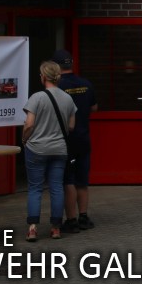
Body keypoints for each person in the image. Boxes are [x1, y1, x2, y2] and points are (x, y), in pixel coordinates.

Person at [23, 61, 76, 241]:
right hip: (59, 149)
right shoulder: (68, 98)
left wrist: (24, 139)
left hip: (36, 148)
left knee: (35, 188)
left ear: (44, 77)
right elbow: (71, 125)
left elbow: (29, 124)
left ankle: (32, 228)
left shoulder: (36, 97)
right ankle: (55, 228)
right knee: (56, 187)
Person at [52, 49, 99, 234]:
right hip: (84, 138)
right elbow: (94, 107)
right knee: (82, 180)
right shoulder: (86, 84)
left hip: (66, 140)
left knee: (68, 180)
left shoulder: (57, 88)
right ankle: (84, 217)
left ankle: (71, 220)